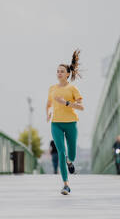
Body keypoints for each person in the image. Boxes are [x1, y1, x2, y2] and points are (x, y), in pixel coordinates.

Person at [46, 49, 84, 195]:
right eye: (57, 71)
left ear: (68, 74)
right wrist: (48, 112)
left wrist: (66, 103)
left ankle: (70, 162)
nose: (59, 73)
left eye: (62, 71)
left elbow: (81, 107)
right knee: (61, 152)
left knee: (71, 154)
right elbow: (48, 103)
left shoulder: (72, 88)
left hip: (71, 123)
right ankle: (66, 184)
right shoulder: (52, 88)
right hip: (56, 123)